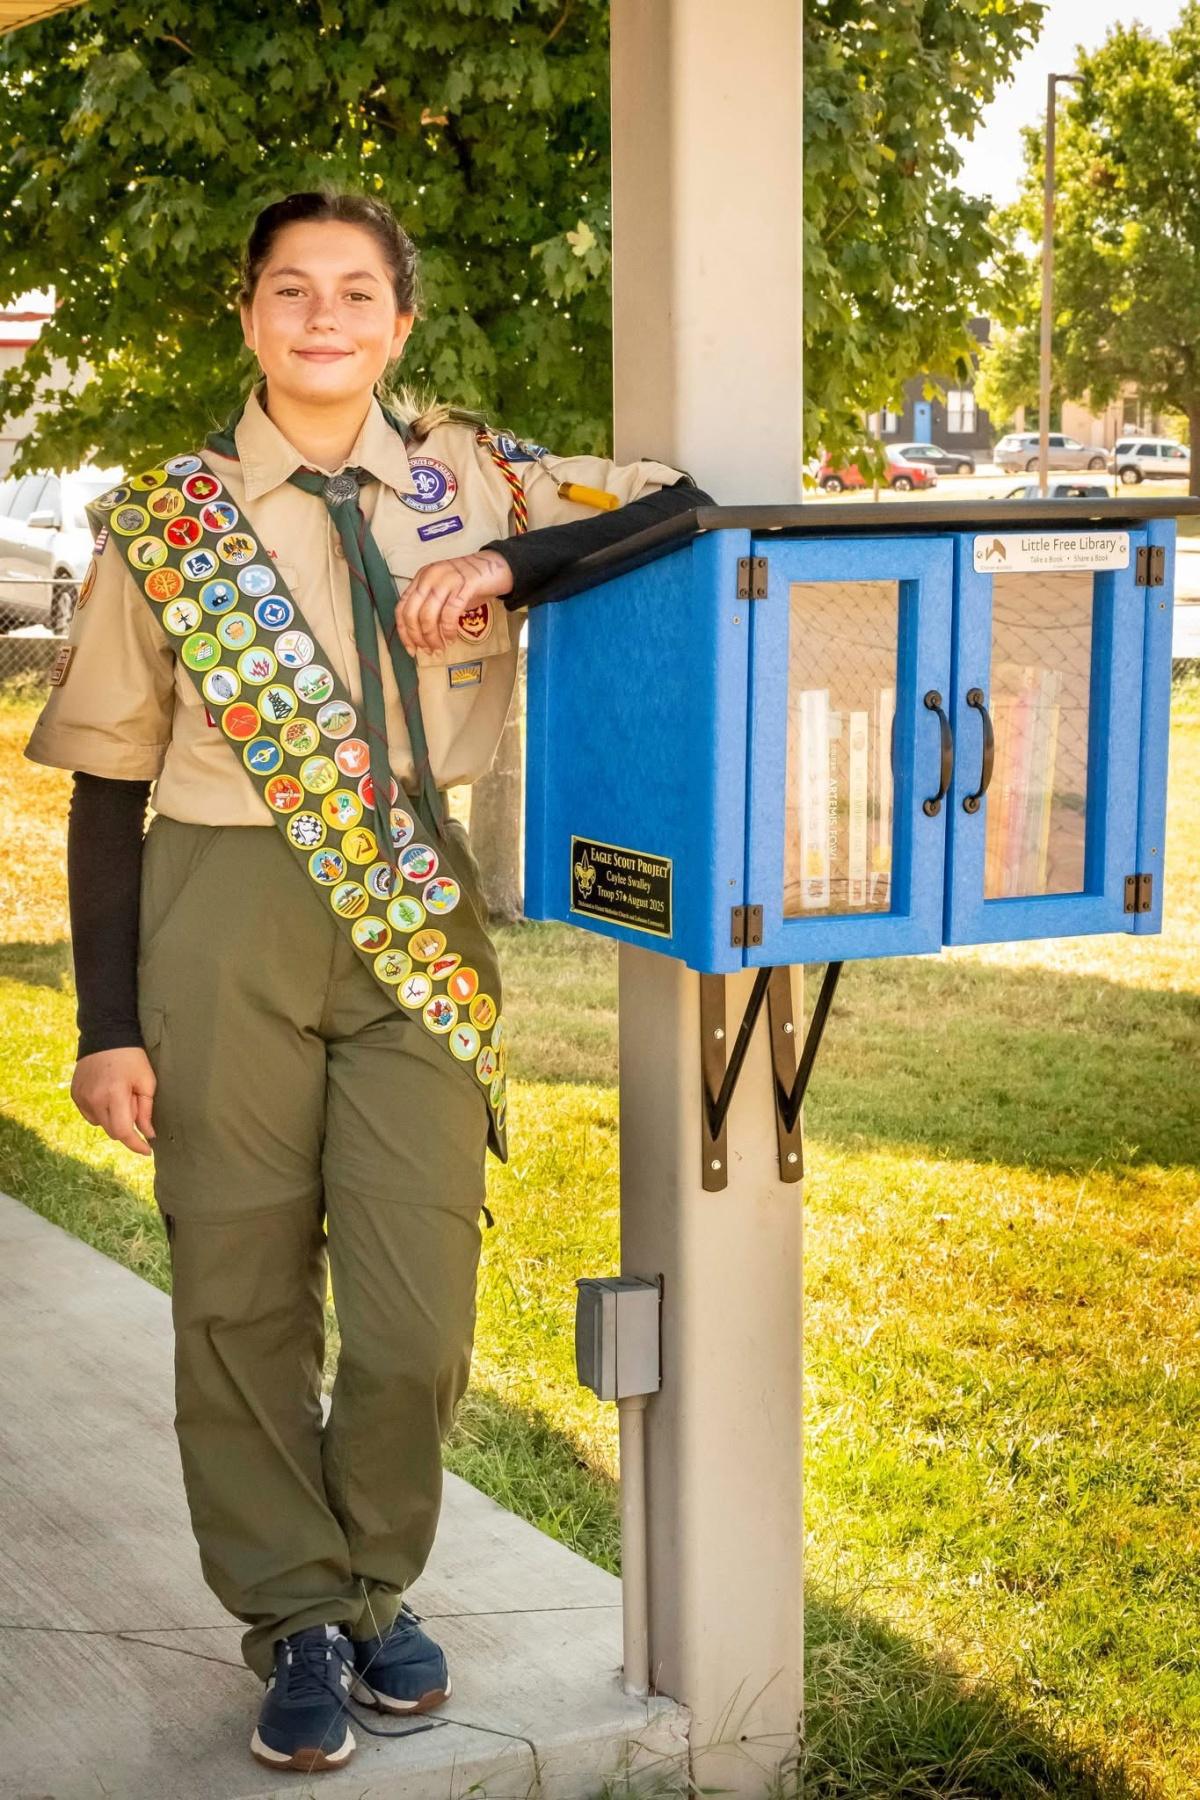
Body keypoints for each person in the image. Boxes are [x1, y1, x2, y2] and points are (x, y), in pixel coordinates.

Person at [23, 188, 710, 1774]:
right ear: (249, 317)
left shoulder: (467, 474)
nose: (322, 315)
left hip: (413, 907)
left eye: (354, 292)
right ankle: (301, 1618)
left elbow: (679, 509)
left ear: (398, 324)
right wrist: (108, 1023)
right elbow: (110, 787)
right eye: (289, 290)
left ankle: (373, 1571)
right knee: (241, 1292)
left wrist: (510, 567)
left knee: (415, 1317)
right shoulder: (169, 516)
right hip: (220, 910)